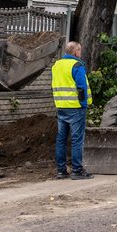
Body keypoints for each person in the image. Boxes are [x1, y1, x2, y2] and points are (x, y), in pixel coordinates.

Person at [51, 41, 93, 179]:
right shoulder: (77, 65)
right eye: (79, 51)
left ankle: (61, 171)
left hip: (61, 107)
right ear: (76, 52)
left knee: (61, 139)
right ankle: (77, 170)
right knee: (76, 140)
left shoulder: (56, 65)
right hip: (75, 107)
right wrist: (83, 104)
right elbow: (81, 87)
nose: (80, 53)